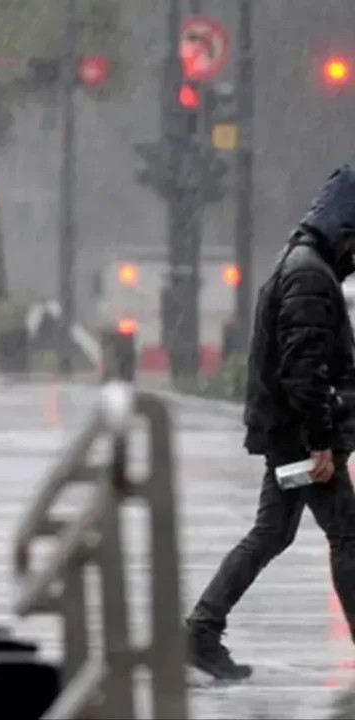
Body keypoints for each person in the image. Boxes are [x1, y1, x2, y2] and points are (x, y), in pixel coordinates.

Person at [186, 164, 355, 680]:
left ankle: (201, 629)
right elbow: (304, 368)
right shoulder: (308, 274)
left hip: (292, 436)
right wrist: (321, 442)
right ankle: (200, 628)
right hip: (302, 440)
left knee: (272, 532)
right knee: (348, 535)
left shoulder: (299, 262)